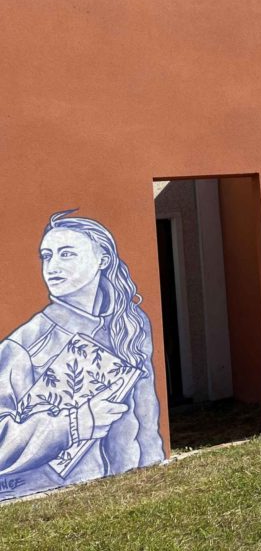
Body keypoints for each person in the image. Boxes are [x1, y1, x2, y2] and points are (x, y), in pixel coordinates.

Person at [0, 211, 164, 501]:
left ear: (102, 259)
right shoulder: (24, 345)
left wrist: (155, 474)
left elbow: (146, 419)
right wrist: (75, 423)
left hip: (132, 493)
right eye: (46, 256)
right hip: (56, 498)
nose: (52, 267)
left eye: (66, 254)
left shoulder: (130, 324)